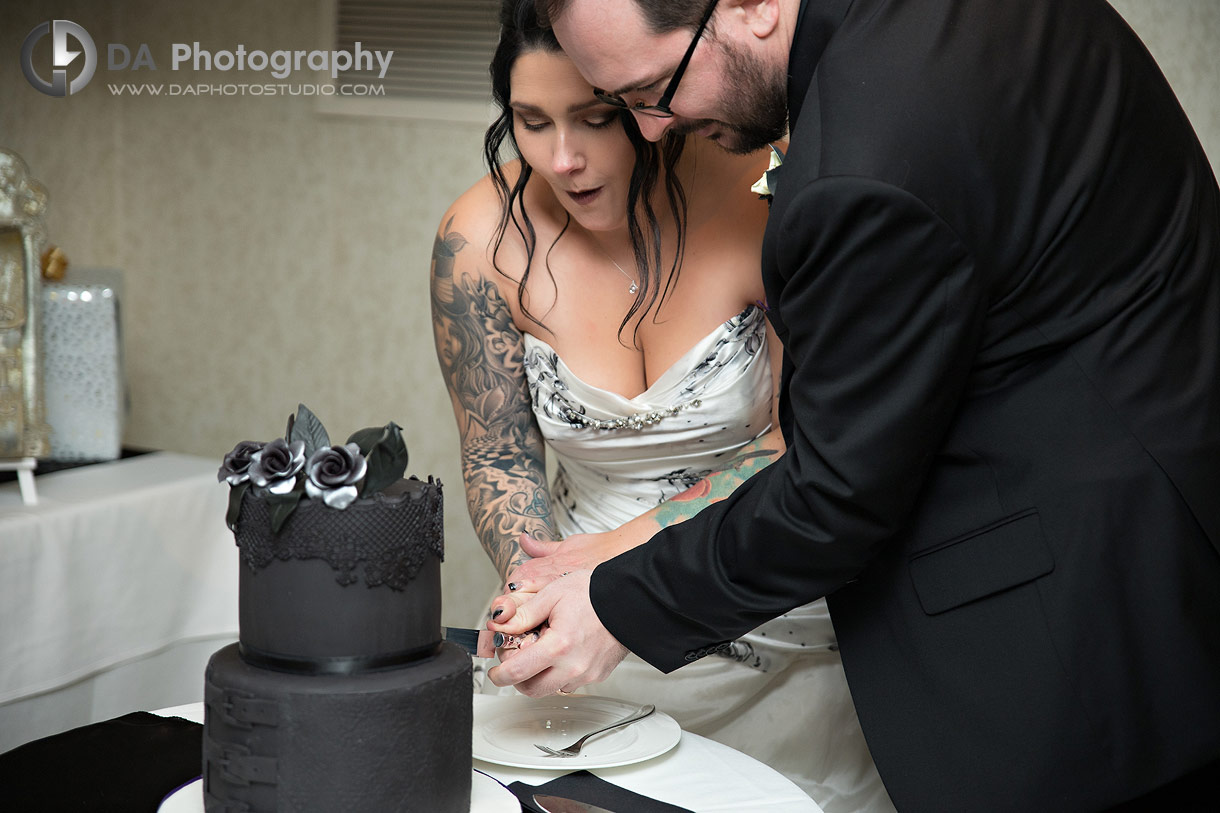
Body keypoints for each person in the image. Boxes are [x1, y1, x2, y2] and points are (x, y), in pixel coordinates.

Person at [485, 0, 1220, 810]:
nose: (653, 130)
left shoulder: (865, 162)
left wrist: (616, 608)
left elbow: (833, 492)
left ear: (751, 6)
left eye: (654, 89)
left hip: (1085, 617)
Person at [429, 2, 891, 808]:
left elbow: (805, 442)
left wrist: (617, 566)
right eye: (531, 123)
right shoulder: (478, 242)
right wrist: (534, 589)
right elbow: (497, 453)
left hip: (772, 611)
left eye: (595, 118)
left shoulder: (769, 198)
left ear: (648, 106)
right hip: (577, 634)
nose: (563, 159)